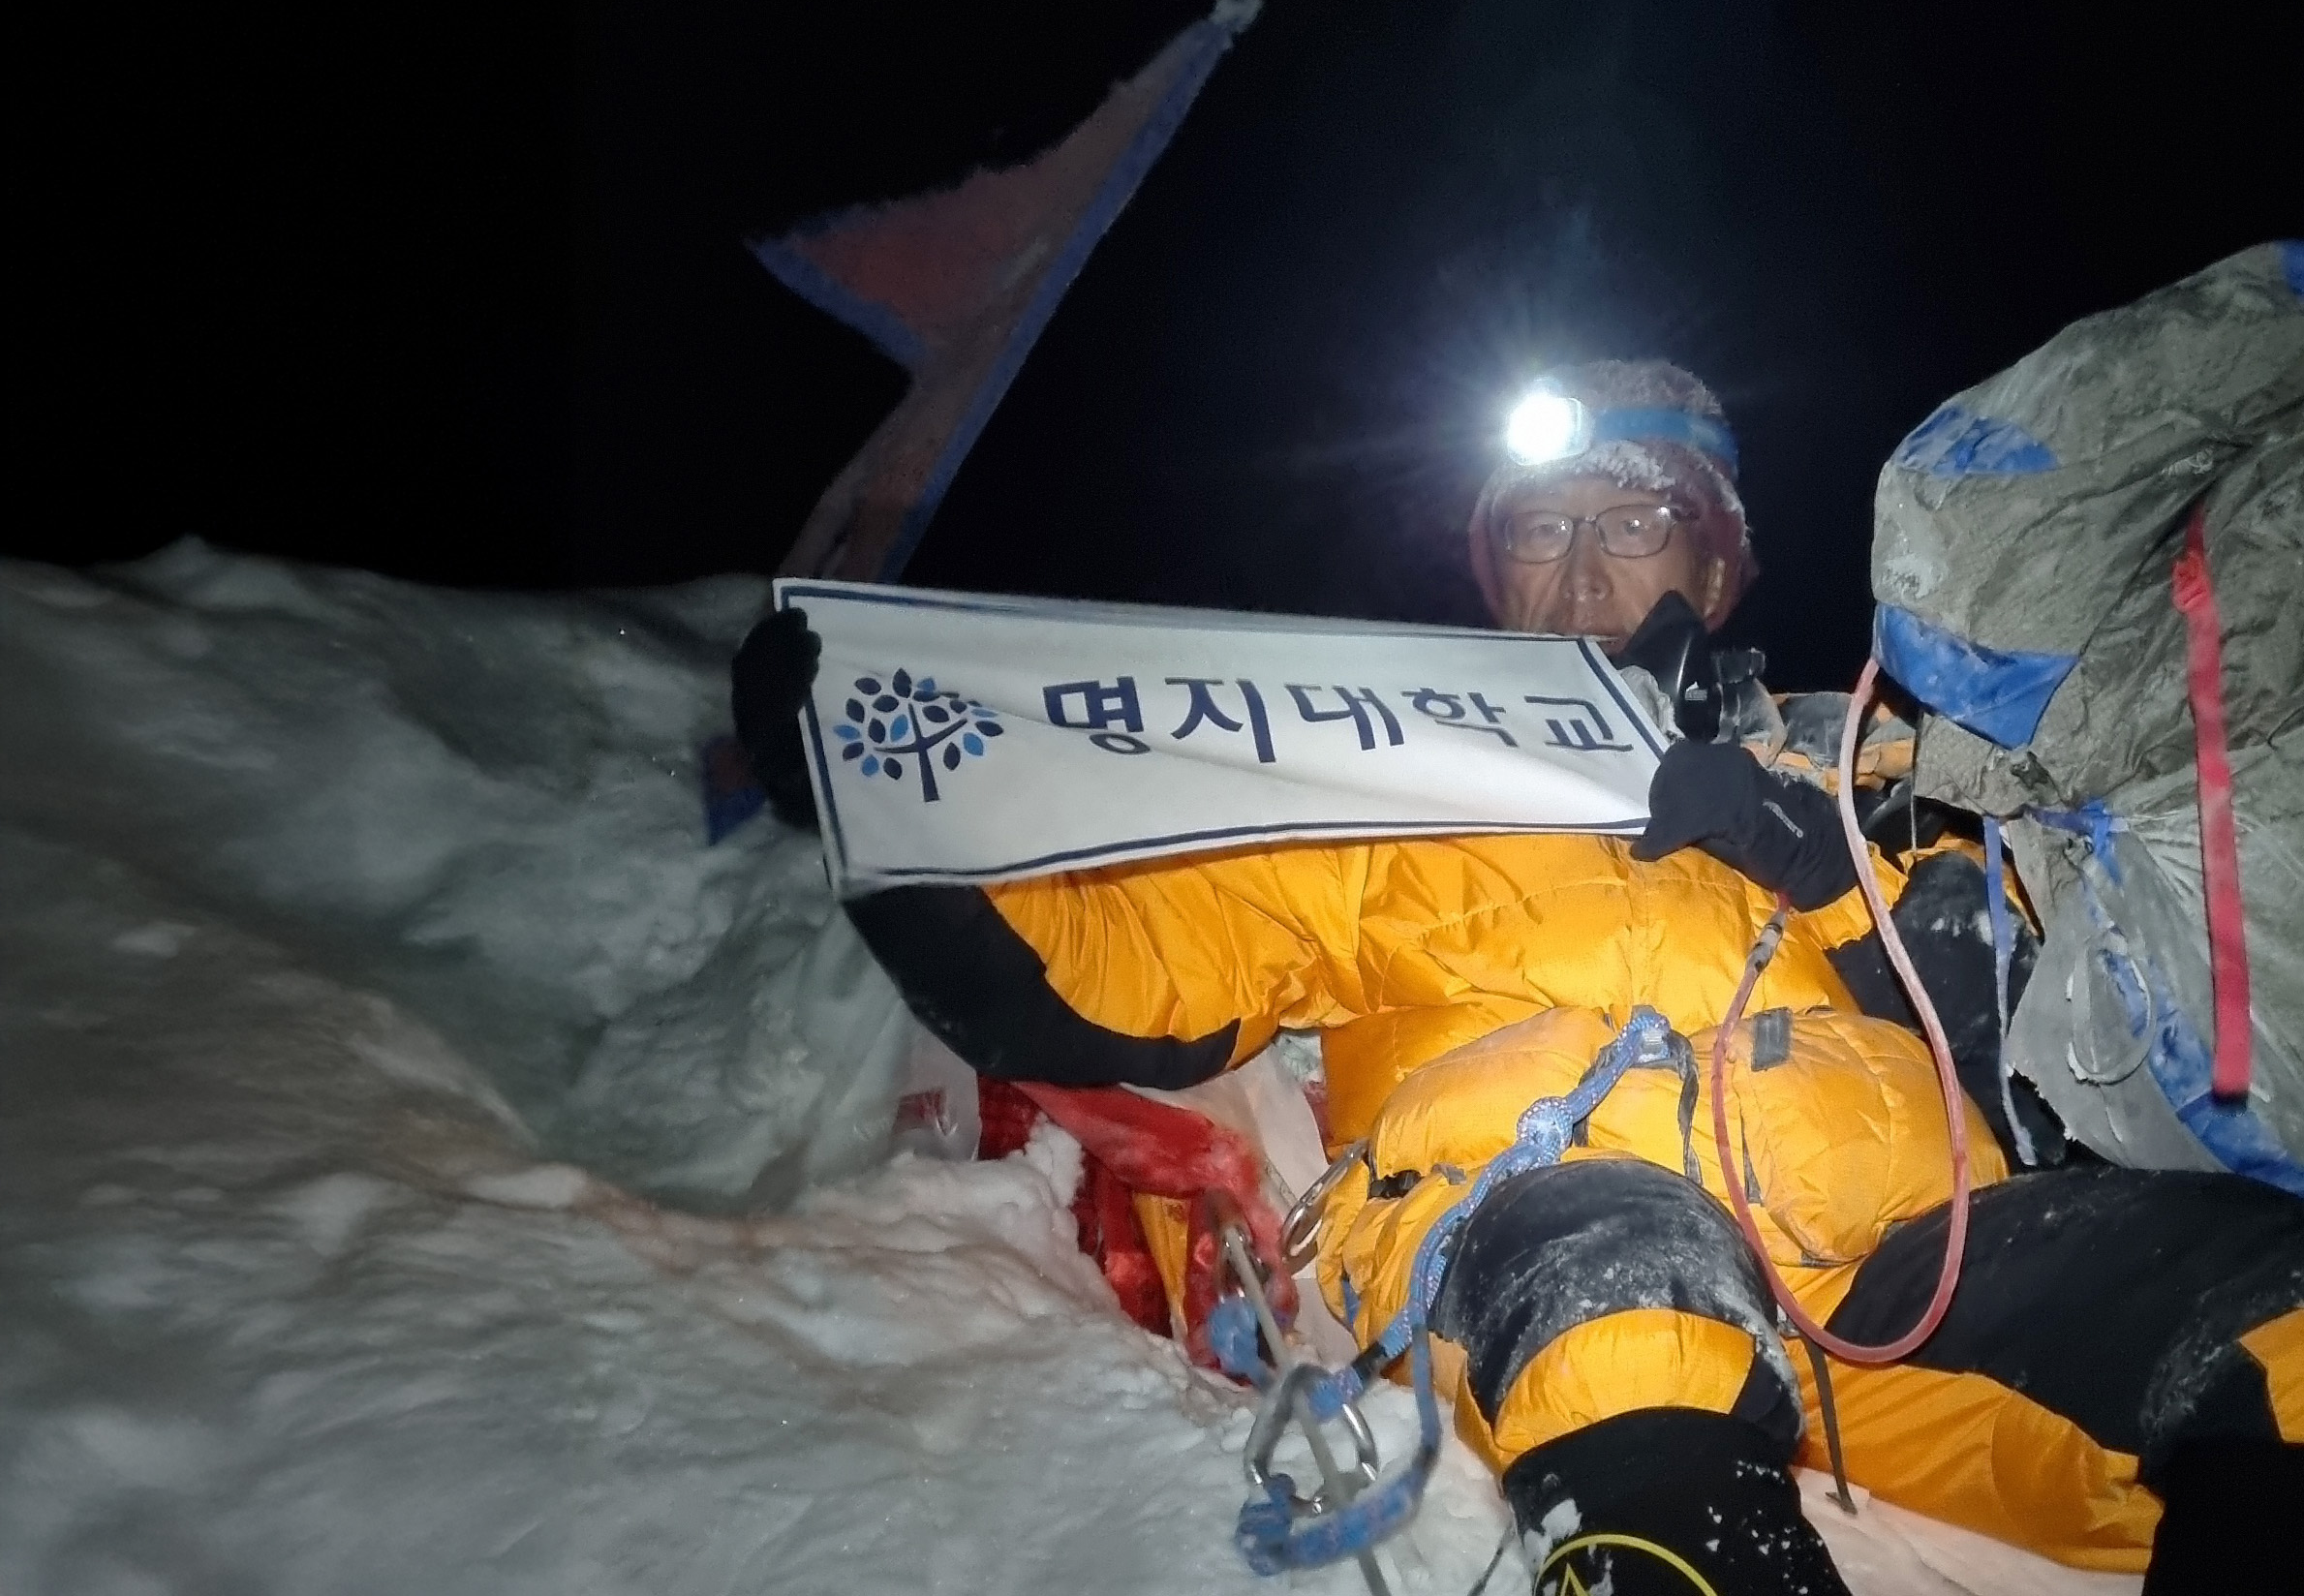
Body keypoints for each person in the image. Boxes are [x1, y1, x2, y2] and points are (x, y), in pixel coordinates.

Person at [734, 360, 2301, 1593]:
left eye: (1629, 523)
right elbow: (1112, 972)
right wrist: (895, 799)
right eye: (1539, 529)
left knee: (2269, 1307)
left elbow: (2036, 1048)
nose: (1577, 567)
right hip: (1552, 1215)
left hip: (1896, 1245)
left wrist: (1815, 853)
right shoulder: (1385, 775)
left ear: (1718, 552)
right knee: (1620, 1277)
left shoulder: (1865, 757)